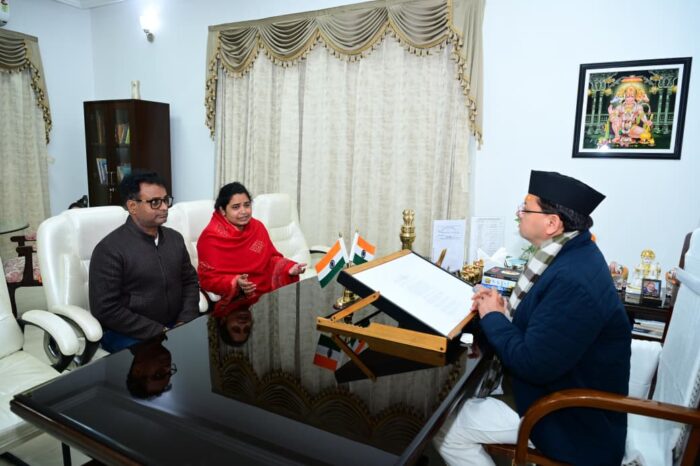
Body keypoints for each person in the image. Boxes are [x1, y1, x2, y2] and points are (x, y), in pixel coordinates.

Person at [434, 171, 631, 465]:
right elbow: (543, 321)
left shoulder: (573, 279)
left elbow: (533, 363)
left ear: (552, 223)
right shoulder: (572, 253)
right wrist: (502, 309)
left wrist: (494, 317)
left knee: (444, 428)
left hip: (568, 417)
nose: (519, 214)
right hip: (556, 388)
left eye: (526, 208)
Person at [89, 172, 200, 353]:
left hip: (174, 324)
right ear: (132, 206)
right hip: (129, 333)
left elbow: (190, 282)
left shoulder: (175, 239)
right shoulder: (109, 249)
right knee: (156, 359)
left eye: (166, 200)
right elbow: (106, 309)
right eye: (155, 202)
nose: (164, 207)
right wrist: (157, 331)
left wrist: (185, 320)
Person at [196, 182, 306, 303]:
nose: (244, 211)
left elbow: (270, 260)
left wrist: (288, 268)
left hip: (267, 295)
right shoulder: (210, 239)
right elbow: (208, 279)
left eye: (247, 205)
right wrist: (235, 282)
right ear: (222, 210)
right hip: (236, 302)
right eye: (236, 207)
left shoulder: (257, 228)